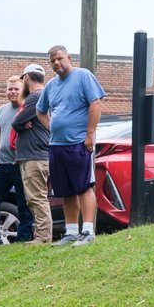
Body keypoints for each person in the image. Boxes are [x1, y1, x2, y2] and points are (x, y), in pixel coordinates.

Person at [36, 45, 106, 247]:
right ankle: (71, 232)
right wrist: (51, 127)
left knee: (83, 186)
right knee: (65, 191)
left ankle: (88, 231)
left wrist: (90, 134)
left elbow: (96, 103)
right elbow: (41, 111)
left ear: (68, 57)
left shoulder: (83, 76)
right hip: (56, 145)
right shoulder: (51, 85)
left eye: (59, 58)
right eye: (52, 61)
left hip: (79, 143)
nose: (56, 63)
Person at [0, 75, 34, 244]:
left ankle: (24, 237)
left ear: (23, 90)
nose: (12, 92)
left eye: (16, 89)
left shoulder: (28, 109)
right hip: (2, 164)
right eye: (10, 89)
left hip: (20, 164)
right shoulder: (1, 110)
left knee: (24, 203)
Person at [12, 64, 54, 244]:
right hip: (38, 155)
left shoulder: (35, 97)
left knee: (36, 198)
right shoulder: (46, 96)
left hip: (35, 157)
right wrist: (23, 124)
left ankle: (43, 238)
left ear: (27, 78)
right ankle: (41, 236)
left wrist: (21, 123)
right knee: (36, 197)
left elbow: (16, 121)